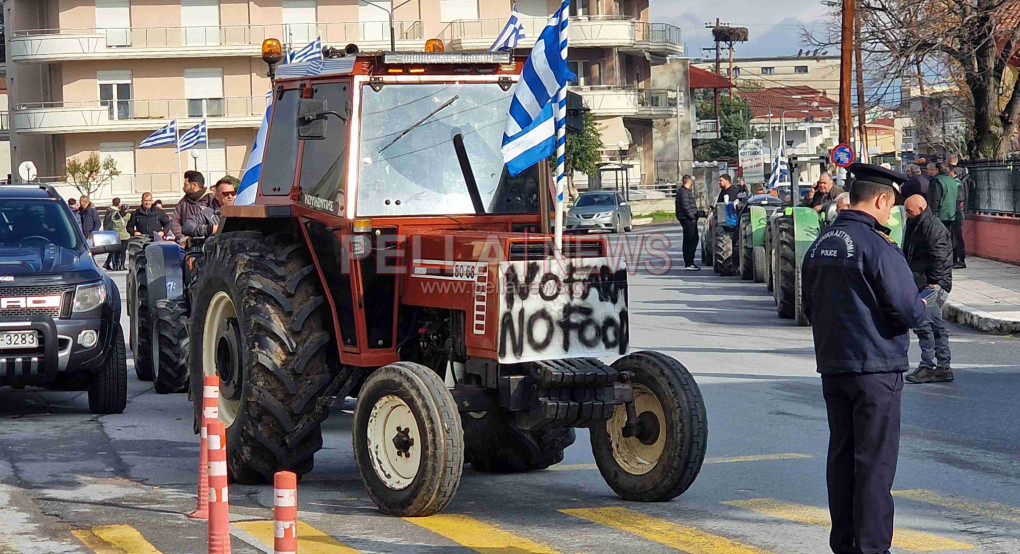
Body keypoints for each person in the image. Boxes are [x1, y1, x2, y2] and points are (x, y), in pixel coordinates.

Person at [801, 163, 927, 554]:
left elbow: (809, 307)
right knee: (874, 466)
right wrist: (923, 305)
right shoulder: (877, 246)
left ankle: (844, 544)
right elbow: (908, 310)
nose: (891, 215)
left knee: (842, 460)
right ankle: (871, 547)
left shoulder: (820, 243)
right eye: (892, 206)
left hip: (834, 367)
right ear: (882, 199)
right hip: (876, 370)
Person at [902, 195, 955, 384]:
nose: (907, 214)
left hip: (932, 284)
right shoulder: (916, 224)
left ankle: (928, 366)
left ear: (921, 209)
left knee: (925, 326)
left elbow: (939, 257)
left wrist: (934, 283)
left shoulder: (933, 228)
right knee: (935, 326)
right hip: (922, 281)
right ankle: (943, 367)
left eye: (909, 211)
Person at [169, 170, 214, 244]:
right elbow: (175, 221)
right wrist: (182, 237)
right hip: (190, 243)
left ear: (194, 185)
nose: (183, 188)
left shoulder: (212, 199)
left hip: (209, 242)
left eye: (185, 185)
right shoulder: (183, 203)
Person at [948, 154, 969, 268]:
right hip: (958, 210)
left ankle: (960, 259)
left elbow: (960, 197)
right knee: (955, 236)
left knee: (957, 236)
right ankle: (956, 258)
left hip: (957, 210)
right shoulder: (963, 175)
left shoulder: (956, 181)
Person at [675, 175, 700, 271]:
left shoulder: (683, 191)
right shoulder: (684, 192)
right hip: (687, 219)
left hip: (687, 218)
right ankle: (689, 262)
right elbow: (685, 206)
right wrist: (692, 216)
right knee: (692, 239)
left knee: (689, 239)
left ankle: (689, 262)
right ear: (689, 182)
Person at [103, 198, 131, 270]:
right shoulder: (118, 213)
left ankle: (112, 264)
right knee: (120, 251)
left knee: (113, 250)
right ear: (119, 204)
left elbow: (105, 221)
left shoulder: (110, 212)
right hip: (122, 235)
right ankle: (118, 265)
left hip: (112, 232)